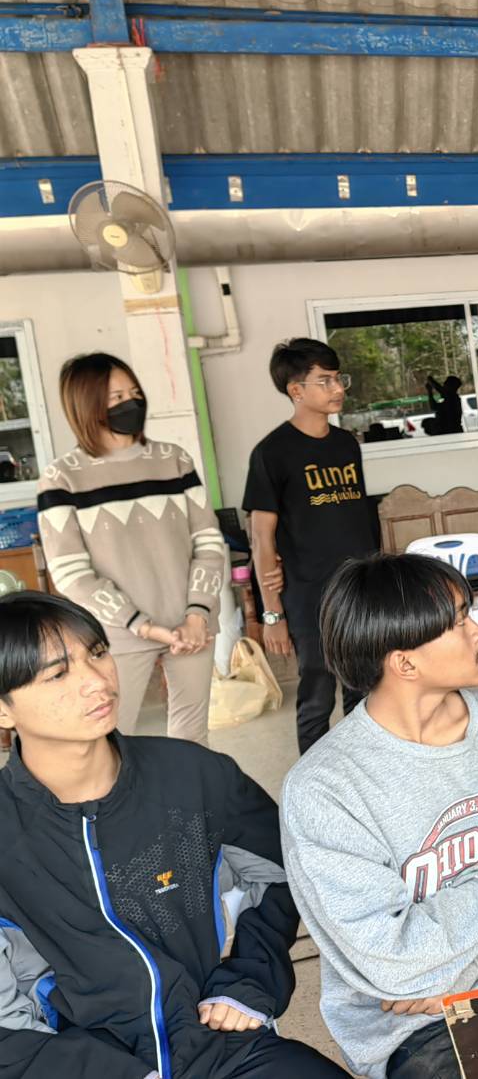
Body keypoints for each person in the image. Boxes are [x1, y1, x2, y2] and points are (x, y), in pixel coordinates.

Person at [281, 553, 478, 1079]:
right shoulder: (325, 789)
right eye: (458, 622)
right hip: (419, 1020)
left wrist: (476, 962)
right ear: (405, 663)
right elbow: (394, 960)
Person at [0, 592, 346, 1078]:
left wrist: (249, 980)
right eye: (58, 674)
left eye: (97, 653)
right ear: (4, 711)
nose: (97, 681)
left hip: (218, 1042)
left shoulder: (193, 776)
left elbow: (283, 875)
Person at [36, 353, 227, 745]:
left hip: (192, 627)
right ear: (87, 405)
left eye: (135, 392)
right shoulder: (62, 478)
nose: (132, 403)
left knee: (192, 738)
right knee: (111, 740)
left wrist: (197, 615)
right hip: (115, 636)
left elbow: (208, 542)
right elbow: (71, 573)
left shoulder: (173, 460)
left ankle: (187, 793)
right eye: (117, 397)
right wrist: (142, 624)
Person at [243, 339, 377, 754]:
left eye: (338, 378)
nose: (337, 388)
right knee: (317, 693)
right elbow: (261, 538)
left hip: (357, 588)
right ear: (296, 390)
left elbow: (357, 518)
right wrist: (272, 614)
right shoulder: (272, 453)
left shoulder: (346, 444)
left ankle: (363, 769)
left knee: (363, 689)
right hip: (308, 594)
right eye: (325, 380)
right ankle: (314, 780)